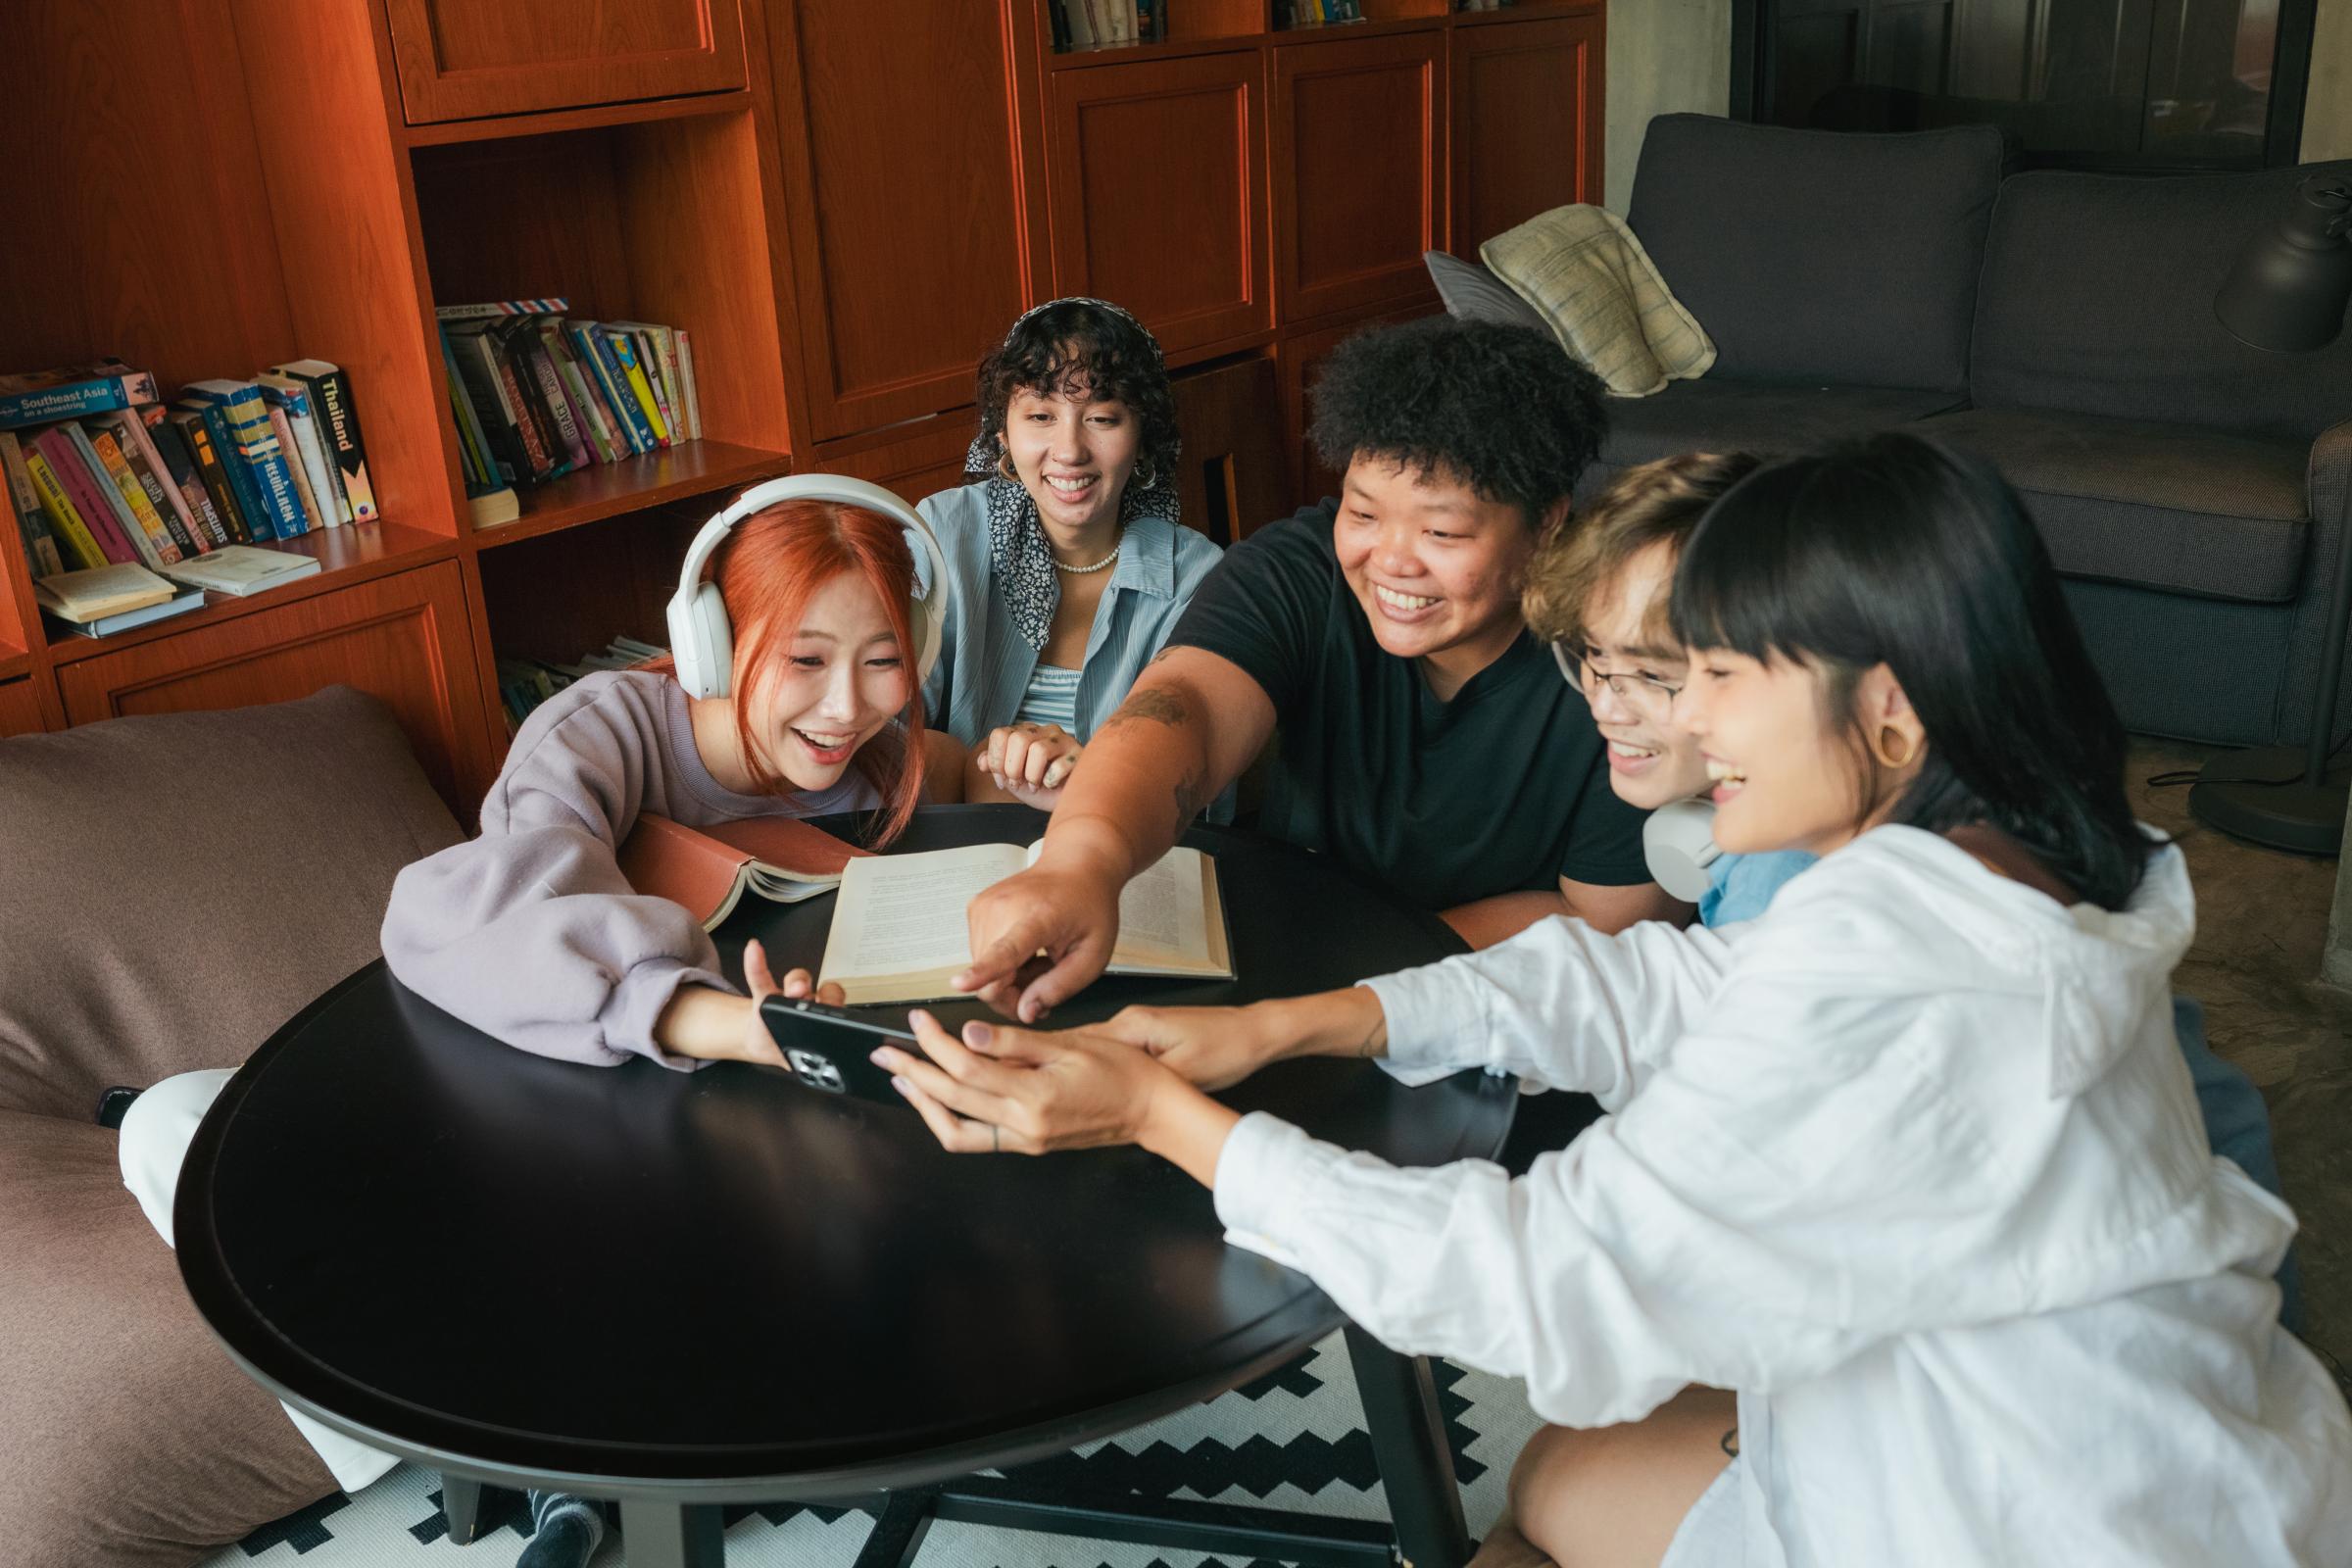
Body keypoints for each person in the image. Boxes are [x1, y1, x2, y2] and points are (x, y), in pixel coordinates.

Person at [867, 434, 2352, 1566]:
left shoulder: (1903, 976)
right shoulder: (1988, 857)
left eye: (1717, 676)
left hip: (2009, 1512)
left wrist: (1169, 1121)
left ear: (1886, 708)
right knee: (1565, 1476)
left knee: (1556, 1463)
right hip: (2145, 1426)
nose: (1684, 718)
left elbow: (1543, 1284)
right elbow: (1664, 982)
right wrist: (1296, 1022)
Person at [114, 483, 942, 1553]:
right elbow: (497, 914)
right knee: (176, 1127)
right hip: (506, 1127)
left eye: (882, 660)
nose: (844, 705)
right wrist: (730, 1026)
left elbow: (950, 775)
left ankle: (543, 1457)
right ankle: (527, 1453)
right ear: (711, 641)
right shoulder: (597, 731)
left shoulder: (875, 765)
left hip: (685, 1170)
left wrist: (1033, 763)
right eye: (805, 659)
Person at [958, 318, 1674, 1022]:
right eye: (1364, 515)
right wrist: (1079, 865)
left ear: (1547, 522)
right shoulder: (1297, 570)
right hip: (1299, 966)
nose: (1390, 561)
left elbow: (1608, 921)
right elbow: (1185, 709)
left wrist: (1340, 995)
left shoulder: (1619, 653)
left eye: (1441, 532)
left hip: (1506, 1015)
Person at [919, 297, 1223, 805]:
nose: (1069, 450)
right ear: (1003, 436)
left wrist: (1095, 775)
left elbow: (1197, 776)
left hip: (1122, 844)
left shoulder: (1194, 577)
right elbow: (889, 731)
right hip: (959, 848)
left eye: (1102, 418)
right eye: (1040, 415)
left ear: (1143, 439)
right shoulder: (943, 534)